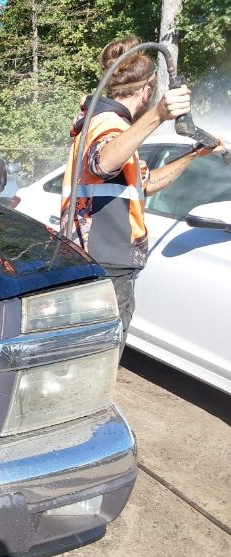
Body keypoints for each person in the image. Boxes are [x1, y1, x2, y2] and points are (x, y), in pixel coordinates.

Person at [60, 36, 225, 351]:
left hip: (104, 259)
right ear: (149, 90)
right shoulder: (109, 124)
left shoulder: (114, 127)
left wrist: (193, 154)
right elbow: (102, 161)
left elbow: (145, 184)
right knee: (99, 357)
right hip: (104, 262)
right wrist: (158, 115)